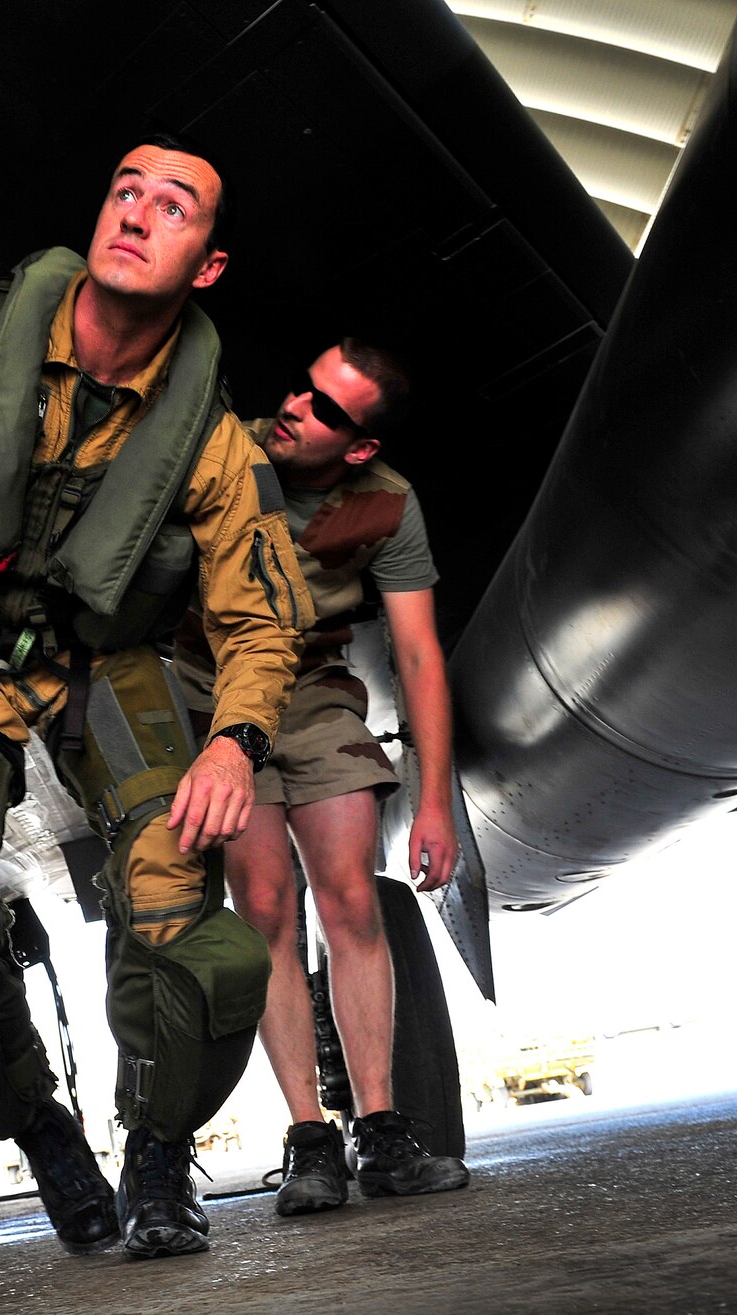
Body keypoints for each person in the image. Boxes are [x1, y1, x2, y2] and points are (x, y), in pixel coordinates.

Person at [0, 137, 309, 1258]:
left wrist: (233, 742)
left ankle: (159, 1153)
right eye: (123, 191)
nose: (136, 213)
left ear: (206, 264)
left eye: (170, 205)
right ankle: (39, 1126)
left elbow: (258, 610)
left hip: (100, 662)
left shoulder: (211, 441)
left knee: (179, 897)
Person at [176, 340, 470, 1215]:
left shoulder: (386, 505)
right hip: (218, 702)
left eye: (327, 409)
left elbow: (418, 654)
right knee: (264, 908)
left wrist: (435, 803)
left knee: (349, 899)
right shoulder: (224, 450)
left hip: (314, 696)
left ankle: (380, 1131)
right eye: (303, 385)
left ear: (360, 448)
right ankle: (311, 1141)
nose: (297, 406)